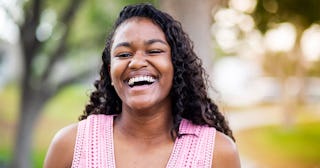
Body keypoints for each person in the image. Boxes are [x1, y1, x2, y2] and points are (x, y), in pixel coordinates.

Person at [44, 3, 240, 168]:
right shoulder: (71, 145)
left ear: (176, 65)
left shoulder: (217, 152)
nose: (136, 63)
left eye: (154, 51)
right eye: (123, 54)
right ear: (110, 72)